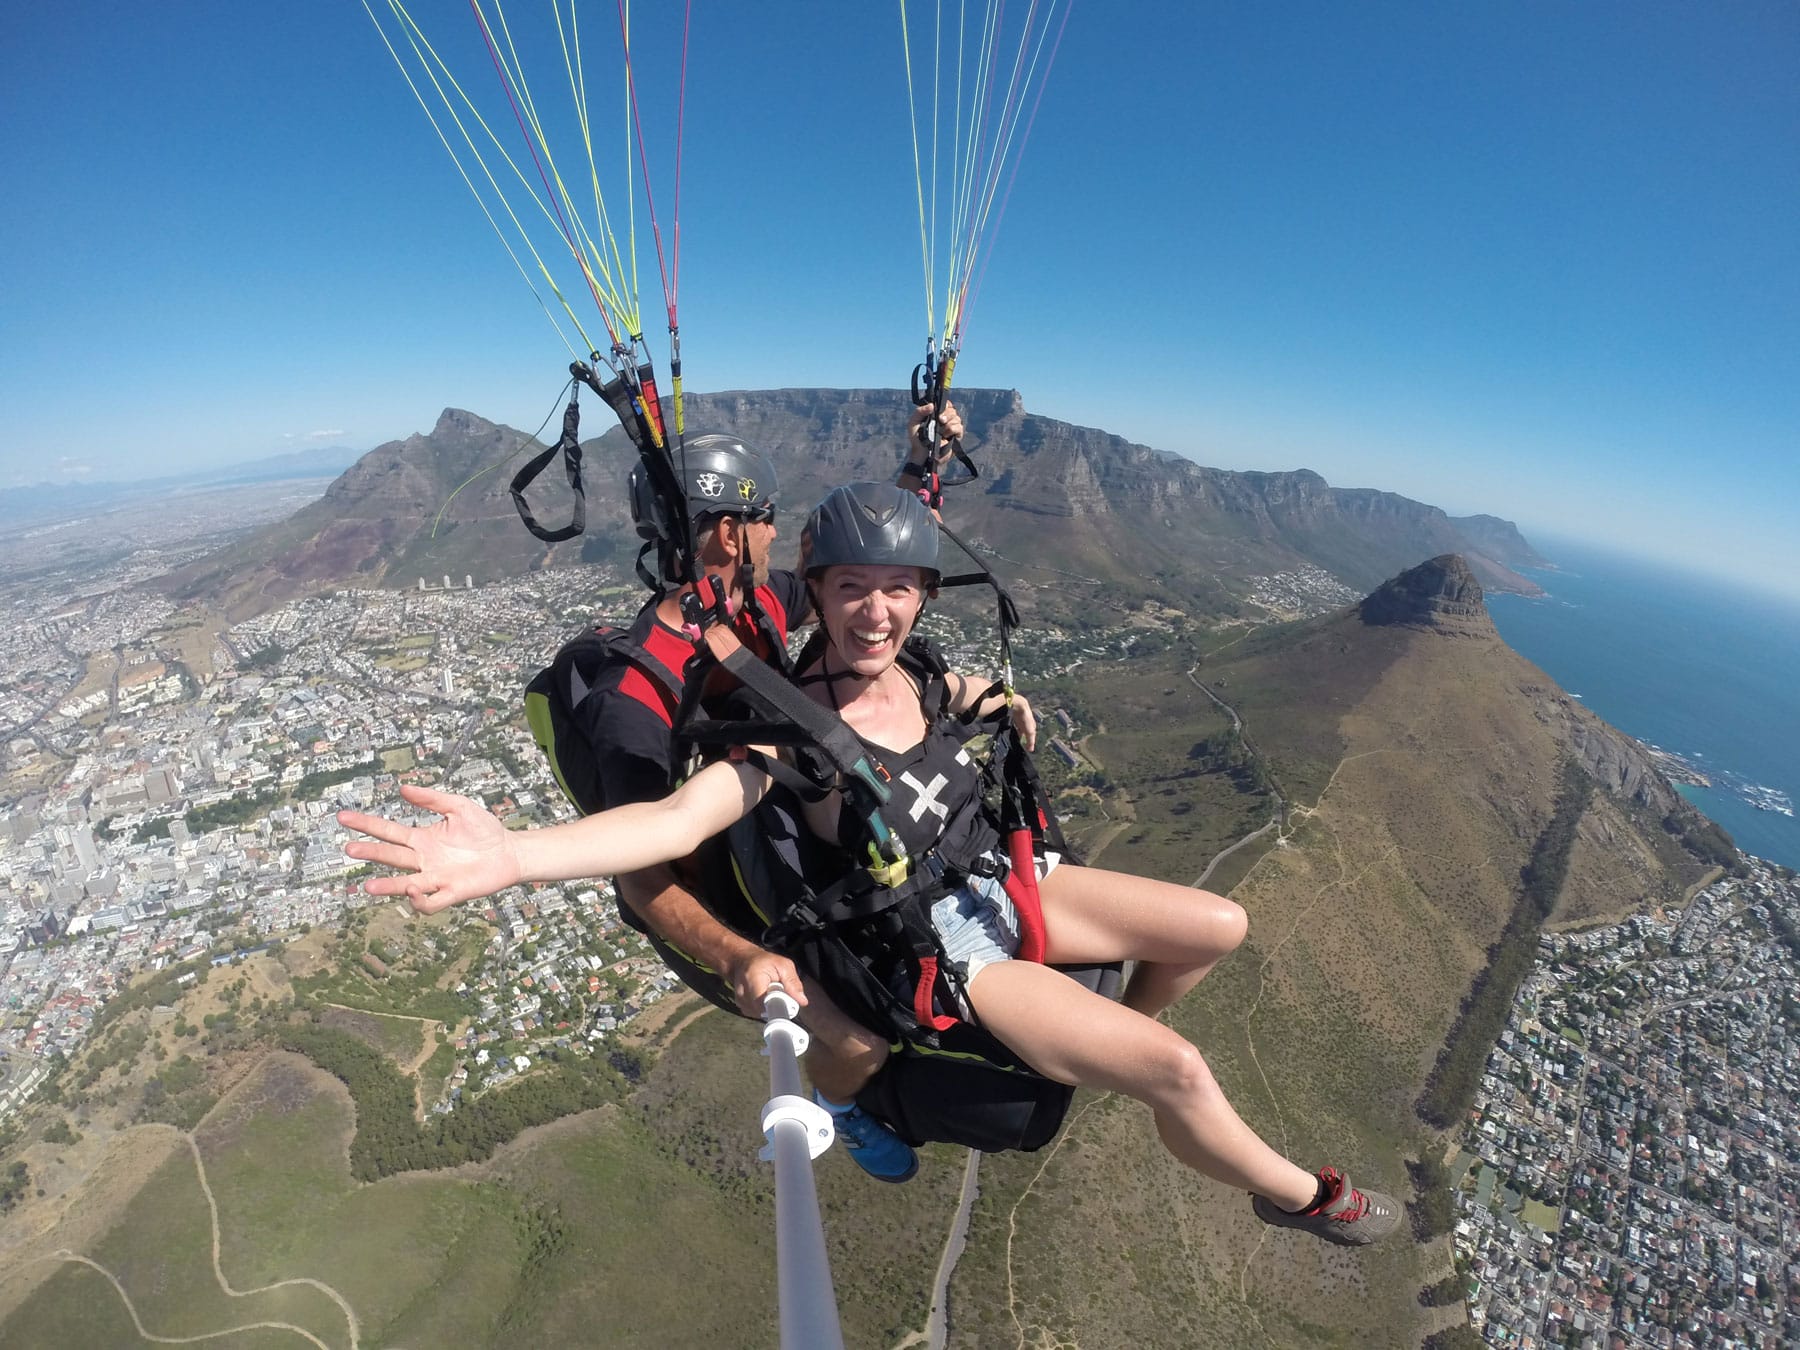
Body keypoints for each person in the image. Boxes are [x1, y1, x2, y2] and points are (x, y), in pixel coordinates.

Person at [341, 482, 1400, 1246]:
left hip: (1007, 884)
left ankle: (1106, 1050)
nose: (876, 611)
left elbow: (954, 698)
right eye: (852, 587)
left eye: (898, 589)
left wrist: (999, 700)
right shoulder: (792, 732)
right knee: (1179, 1074)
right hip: (950, 954)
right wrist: (513, 855)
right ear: (817, 591)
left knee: (1219, 926)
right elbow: (670, 823)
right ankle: (1302, 1197)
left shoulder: (922, 675)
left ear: (923, 597)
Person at [518, 408, 962, 1183]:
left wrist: (921, 469)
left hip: (774, 839)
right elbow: (642, 874)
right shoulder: (636, 696)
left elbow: (854, 573)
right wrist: (739, 958)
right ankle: (844, 1109)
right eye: (766, 518)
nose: (776, 534)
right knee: (860, 1043)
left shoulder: (750, 607)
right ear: (730, 533)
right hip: (721, 904)